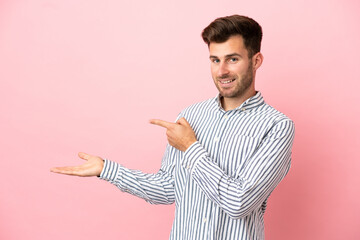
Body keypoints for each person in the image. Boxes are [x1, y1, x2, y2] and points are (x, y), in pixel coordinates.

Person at [51, 14, 295, 240]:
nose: (222, 71)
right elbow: (167, 189)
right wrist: (107, 169)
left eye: (233, 59)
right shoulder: (191, 116)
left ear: (256, 60)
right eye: (214, 60)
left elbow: (239, 202)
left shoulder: (277, 126)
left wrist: (190, 147)